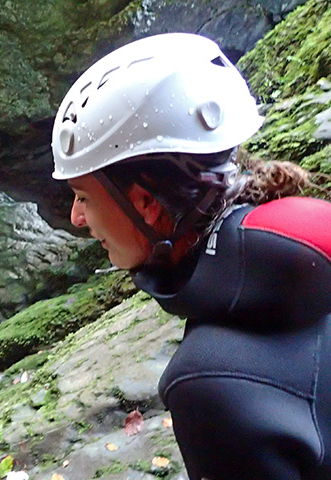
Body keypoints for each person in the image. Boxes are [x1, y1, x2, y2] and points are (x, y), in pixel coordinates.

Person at [51, 32, 331, 480]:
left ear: (146, 202)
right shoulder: (303, 247)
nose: (76, 217)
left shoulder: (209, 384)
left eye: (82, 195)